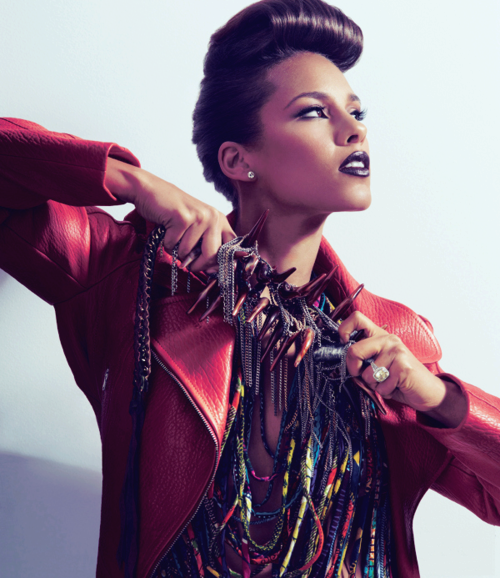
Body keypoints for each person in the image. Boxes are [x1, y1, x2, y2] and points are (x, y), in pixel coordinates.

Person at [1, 0, 499, 577]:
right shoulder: (129, 276)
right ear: (238, 161)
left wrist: (437, 397)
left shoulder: (394, 338)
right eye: (314, 112)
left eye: (356, 112)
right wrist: (128, 179)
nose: (354, 129)